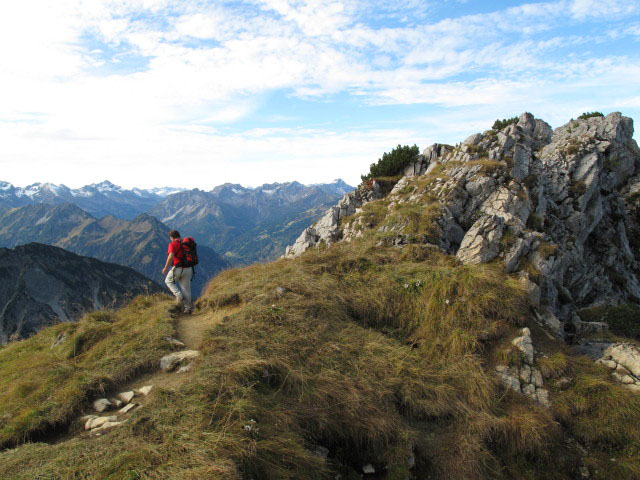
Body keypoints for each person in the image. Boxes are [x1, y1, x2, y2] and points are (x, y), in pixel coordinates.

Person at [162, 229, 193, 314]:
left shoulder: (172, 244)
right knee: (186, 289)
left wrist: (165, 267)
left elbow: (171, 256)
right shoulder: (186, 243)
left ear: (172, 237)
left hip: (178, 268)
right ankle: (188, 309)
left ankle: (178, 295)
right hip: (189, 268)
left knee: (168, 281)